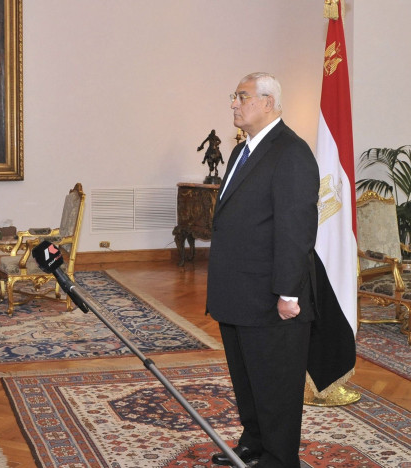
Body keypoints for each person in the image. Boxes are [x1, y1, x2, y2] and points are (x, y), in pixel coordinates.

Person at [206, 72, 319, 468]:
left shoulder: (291, 151)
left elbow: (296, 228)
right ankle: (254, 441)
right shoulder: (242, 152)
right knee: (247, 377)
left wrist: (288, 293)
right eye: (234, 96)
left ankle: (279, 456)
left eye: (243, 96)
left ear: (268, 103)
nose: (234, 103)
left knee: (276, 383)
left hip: (272, 296)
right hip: (238, 292)